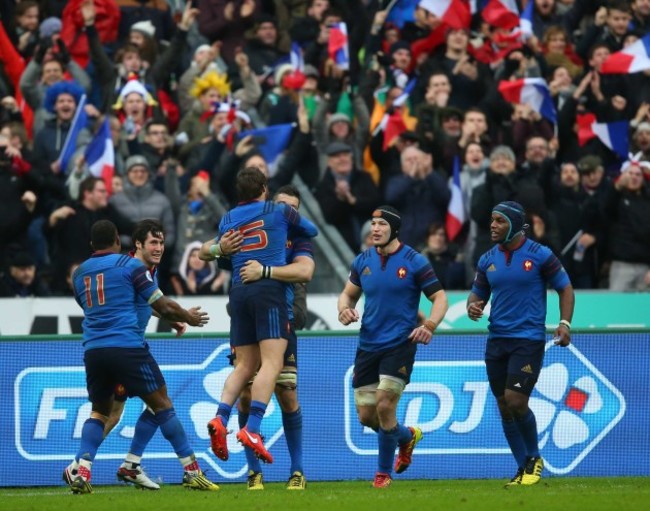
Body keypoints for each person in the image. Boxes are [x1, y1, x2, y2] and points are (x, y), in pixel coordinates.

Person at [65, 219, 218, 494]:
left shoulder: (79, 273)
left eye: (161, 242)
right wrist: (186, 316)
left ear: (91, 245)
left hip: (94, 350)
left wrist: (165, 317)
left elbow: (93, 303)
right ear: (123, 243)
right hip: (127, 347)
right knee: (160, 404)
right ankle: (191, 470)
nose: (159, 247)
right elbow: (159, 303)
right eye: (154, 242)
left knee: (102, 413)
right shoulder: (132, 267)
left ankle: (86, 467)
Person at [200, 167, 318, 466]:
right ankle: (252, 429)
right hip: (270, 294)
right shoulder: (279, 213)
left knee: (245, 365)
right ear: (265, 189)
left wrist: (219, 248)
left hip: (239, 292)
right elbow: (312, 230)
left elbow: (209, 254)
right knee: (272, 364)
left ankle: (219, 418)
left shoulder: (228, 219)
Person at [337, 205, 449, 488]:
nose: (375, 228)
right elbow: (347, 296)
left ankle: (382, 474)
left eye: (381, 224)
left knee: (385, 403)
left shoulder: (415, 261)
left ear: (394, 229)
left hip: (400, 343)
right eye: (373, 223)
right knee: (367, 415)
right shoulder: (362, 261)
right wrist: (344, 310)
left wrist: (429, 326)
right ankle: (406, 437)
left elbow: (440, 298)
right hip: (368, 344)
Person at [466, 201, 575, 488]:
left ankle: (534, 458)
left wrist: (564, 323)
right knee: (504, 406)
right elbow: (477, 294)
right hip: (496, 340)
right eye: (491, 220)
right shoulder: (487, 259)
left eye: (499, 221)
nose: (492, 225)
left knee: (516, 401)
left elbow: (565, 287)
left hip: (527, 340)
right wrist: (473, 308)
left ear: (513, 224)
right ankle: (522, 467)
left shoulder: (541, 255)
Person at [236, 185, 316, 490]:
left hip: (282, 321)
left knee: (287, 395)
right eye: (282, 205)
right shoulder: (251, 231)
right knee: (245, 394)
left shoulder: (300, 240)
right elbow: (214, 253)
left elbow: (304, 273)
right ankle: (253, 471)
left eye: (292, 208)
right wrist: (219, 249)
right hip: (248, 323)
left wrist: (266, 271)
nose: (287, 212)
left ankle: (297, 470)